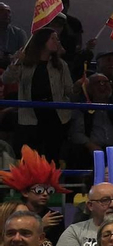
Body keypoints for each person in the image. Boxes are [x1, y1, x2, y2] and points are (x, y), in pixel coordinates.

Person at [3, 28, 73, 161]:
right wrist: (16, 63)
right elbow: (6, 79)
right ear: (42, 41)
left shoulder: (60, 65)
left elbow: (69, 90)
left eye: (57, 39)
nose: (57, 42)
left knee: (52, 156)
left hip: (56, 116)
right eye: (53, 38)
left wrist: (78, 87)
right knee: (31, 157)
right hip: (31, 115)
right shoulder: (26, 63)